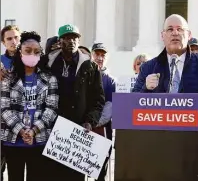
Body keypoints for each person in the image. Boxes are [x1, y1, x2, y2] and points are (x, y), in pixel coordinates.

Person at [132, 14, 198, 181]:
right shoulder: (149, 67)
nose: (175, 33)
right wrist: (145, 89)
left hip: (196, 149)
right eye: (170, 29)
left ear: (189, 35)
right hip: (159, 148)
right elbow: (131, 106)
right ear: (162, 36)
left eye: (180, 29)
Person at [45, 24, 105, 181]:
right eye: (66, 38)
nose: (71, 41)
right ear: (59, 41)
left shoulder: (90, 66)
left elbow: (98, 99)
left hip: (76, 134)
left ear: (79, 40)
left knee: (75, 177)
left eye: (74, 38)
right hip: (52, 131)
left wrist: (89, 121)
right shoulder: (48, 63)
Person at [1, 31, 59, 181]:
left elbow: (51, 109)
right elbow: (4, 108)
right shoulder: (8, 77)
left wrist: (33, 131)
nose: (32, 54)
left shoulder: (49, 79)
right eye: (28, 51)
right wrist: (21, 131)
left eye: (36, 52)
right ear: (20, 52)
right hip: (12, 141)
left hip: (39, 140)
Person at [91, 43, 115, 181]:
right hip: (83, 129)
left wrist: (92, 122)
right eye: (97, 54)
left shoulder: (111, 81)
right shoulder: (84, 75)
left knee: (100, 173)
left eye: (103, 55)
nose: (99, 58)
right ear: (91, 55)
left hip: (103, 130)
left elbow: (109, 108)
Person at [1, 25, 21, 180]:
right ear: (3, 42)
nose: (14, 41)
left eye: (16, 37)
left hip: (25, 126)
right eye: (9, 38)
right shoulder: (0, 62)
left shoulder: (31, 60)